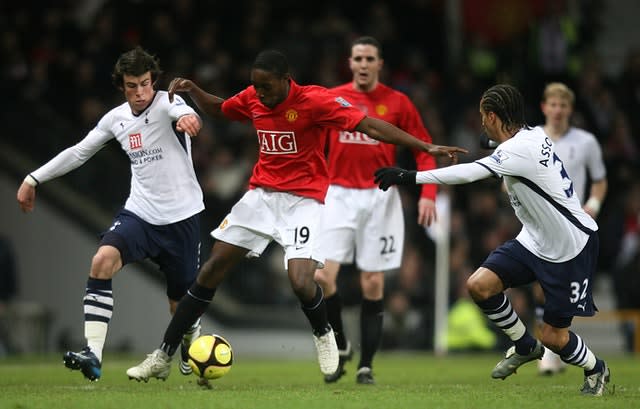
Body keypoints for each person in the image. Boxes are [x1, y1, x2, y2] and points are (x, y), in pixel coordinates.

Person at [125, 49, 466, 383]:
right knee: (211, 270)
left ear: (286, 81)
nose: (260, 94)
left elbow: (371, 126)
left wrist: (425, 147)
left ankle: (324, 335)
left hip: (303, 201)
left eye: (267, 87)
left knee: (302, 282)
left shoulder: (315, 101)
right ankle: (163, 355)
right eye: (256, 87)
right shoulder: (254, 97)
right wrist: (195, 91)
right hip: (261, 197)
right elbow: (220, 109)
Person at [374, 84, 610, 396]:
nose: (481, 122)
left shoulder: (515, 151)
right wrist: (489, 143)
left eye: (484, 117)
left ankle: (597, 368)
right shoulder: (535, 134)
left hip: (569, 247)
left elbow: (468, 174)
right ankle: (525, 345)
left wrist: (408, 176)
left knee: (553, 337)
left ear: (494, 116)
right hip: (534, 239)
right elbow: (503, 150)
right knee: (478, 285)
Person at [16, 46, 205, 381]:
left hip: (182, 219)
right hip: (141, 215)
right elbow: (78, 152)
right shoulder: (115, 120)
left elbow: (186, 116)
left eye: (145, 83)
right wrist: (34, 178)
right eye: (132, 85)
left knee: (181, 305)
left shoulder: (169, 102)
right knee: (102, 260)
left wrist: (191, 118)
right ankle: (93, 354)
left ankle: (191, 341)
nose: (140, 92)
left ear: (153, 81)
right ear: (123, 86)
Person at [314, 36, 438, 385]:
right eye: (358, 58)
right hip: (337, 194)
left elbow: (424, 150)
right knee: (322, 276)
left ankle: (366, 366)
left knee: (373, 282)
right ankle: (340, 344)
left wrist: (428, 193)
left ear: (380, 64)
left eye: (370, 58)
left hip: (379, 196)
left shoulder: (398, 102)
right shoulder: (332, 99)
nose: (364, 64)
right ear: (350, 63)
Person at [534, 82, 608, 374]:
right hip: (540, 220)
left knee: (559, 287)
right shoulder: (533, 138)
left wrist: (593, 205)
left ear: (570, 109)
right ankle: (551, 350)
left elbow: (600, 179)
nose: (557, 110)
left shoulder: (586, 142)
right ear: (544, 107)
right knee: (542, 285)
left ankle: (553, 348)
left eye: (562, 105)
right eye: (552, 104)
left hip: (573, 224)